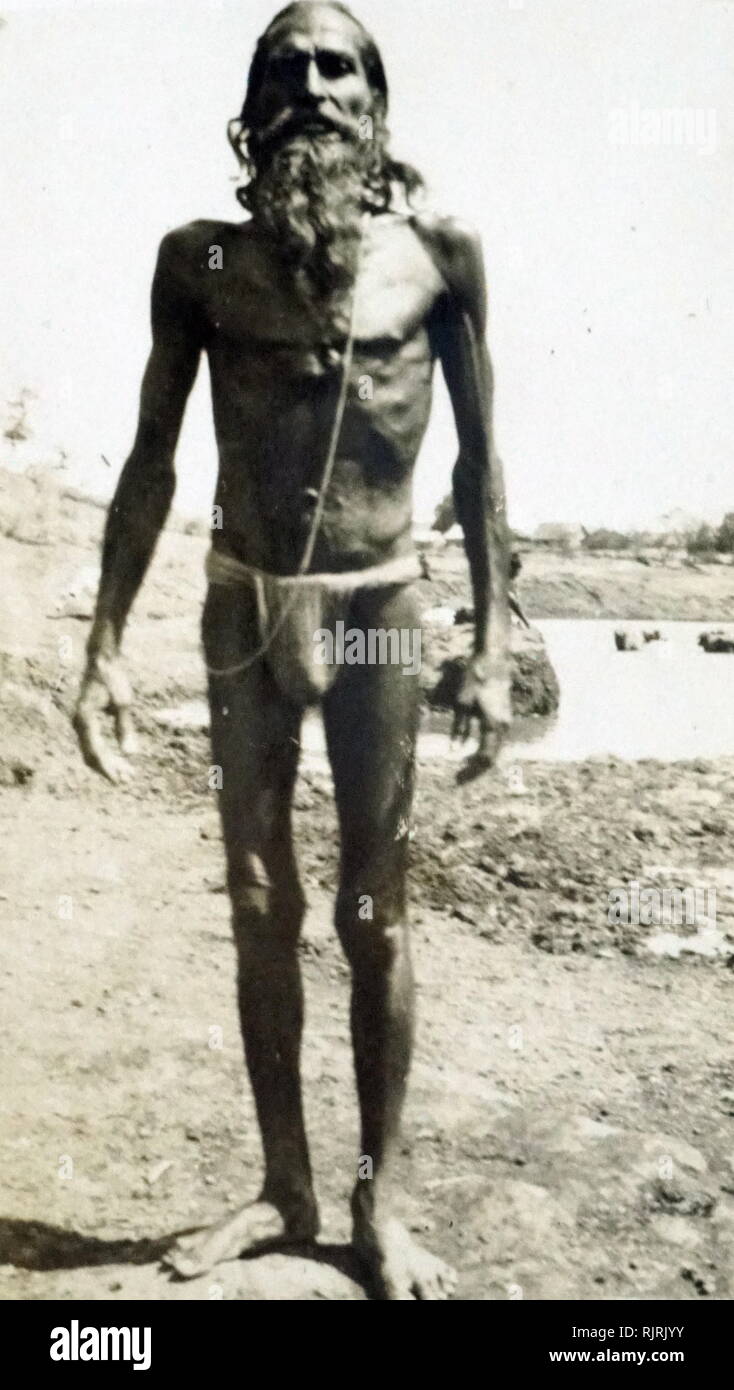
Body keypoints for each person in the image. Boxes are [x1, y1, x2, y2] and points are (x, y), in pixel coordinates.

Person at [74, 1, 511, 1299]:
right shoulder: (201, 263)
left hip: (380, 609)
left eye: (339, 66)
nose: (313, 84)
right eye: (288, 66)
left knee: (374, 913)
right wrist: (99, 648)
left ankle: (378, 1208)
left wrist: (490, 644)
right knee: (261, 906)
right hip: (241, 604)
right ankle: (283, 1187)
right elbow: (151, 459)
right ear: (253, 103)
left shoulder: (440, 255)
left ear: (376, 100)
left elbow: (483, 466)